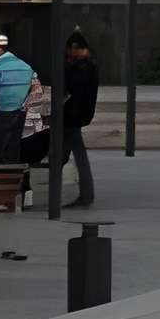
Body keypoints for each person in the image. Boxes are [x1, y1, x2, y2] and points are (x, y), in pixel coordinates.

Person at [59, 31, 101, 207]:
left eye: (69, 50)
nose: (68, 53)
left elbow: (70, 87)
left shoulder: (80, 68)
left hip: (72, 116)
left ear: (75, 48)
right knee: (71, 154)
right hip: (79, 115)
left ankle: (85, 194)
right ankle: (86, 194)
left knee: (69, 155)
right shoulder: (90, 65)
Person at [0, 35, 38, 159]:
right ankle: (13, 166)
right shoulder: (26, 67)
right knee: (14, 143)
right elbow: (35, 86)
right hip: (21, 111)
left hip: (2, 111)